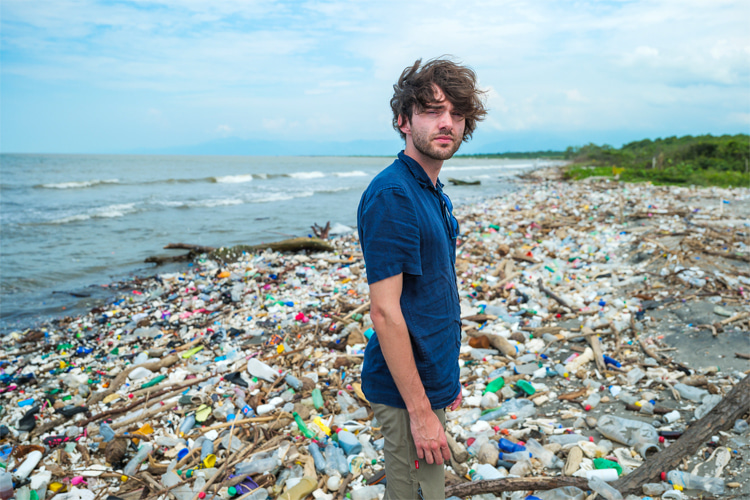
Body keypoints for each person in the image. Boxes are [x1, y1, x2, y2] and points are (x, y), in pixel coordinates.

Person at [357, 57, 487, 499]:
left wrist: (444, 379)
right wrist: (419, 410)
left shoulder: (430, 191)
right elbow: (385, 311)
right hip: (402, 394)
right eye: (432, 110)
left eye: (455, 113)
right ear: (403, 120)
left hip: (427, 380)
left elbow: (430, 295)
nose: (446, 122)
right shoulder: (394, 195)